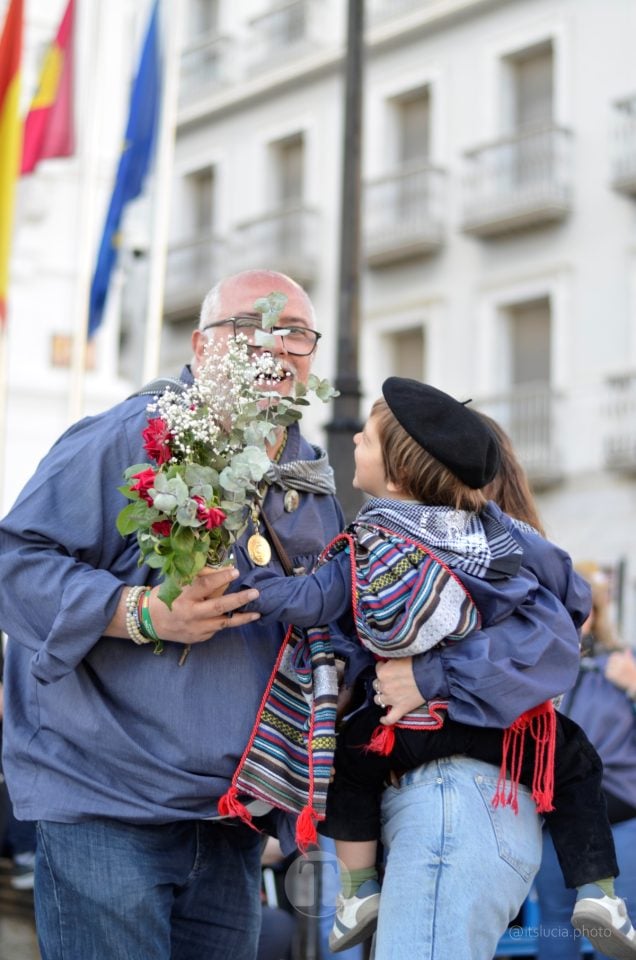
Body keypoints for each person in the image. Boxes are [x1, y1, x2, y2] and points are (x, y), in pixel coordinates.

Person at [0, 270, 346, 960]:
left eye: (295, 332)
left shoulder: (308, 476)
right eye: (249, 327)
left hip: (231, 821)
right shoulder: (130, 435)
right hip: (107, 806)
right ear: (200, 345)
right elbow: (15, 563)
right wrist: (143, 613)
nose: (274, 346)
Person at [229, 379, 629, 958]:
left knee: (350, 762)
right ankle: (599, 895)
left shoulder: (369, 543)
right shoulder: (500, 538)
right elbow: (569, 591)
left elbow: (312, 599)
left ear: (396, 478)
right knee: (577, 762)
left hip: (446, 791)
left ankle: (355, 892)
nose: (354, 440)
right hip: (485, 765)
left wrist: (248, 585)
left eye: (367, 438)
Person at [534, 562, 636, 960]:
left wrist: (632, 684)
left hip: (621, 815)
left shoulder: (623, 662)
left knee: (622, 924)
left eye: (585, 606)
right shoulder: (538, 668)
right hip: (556, 815)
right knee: (557, 922)